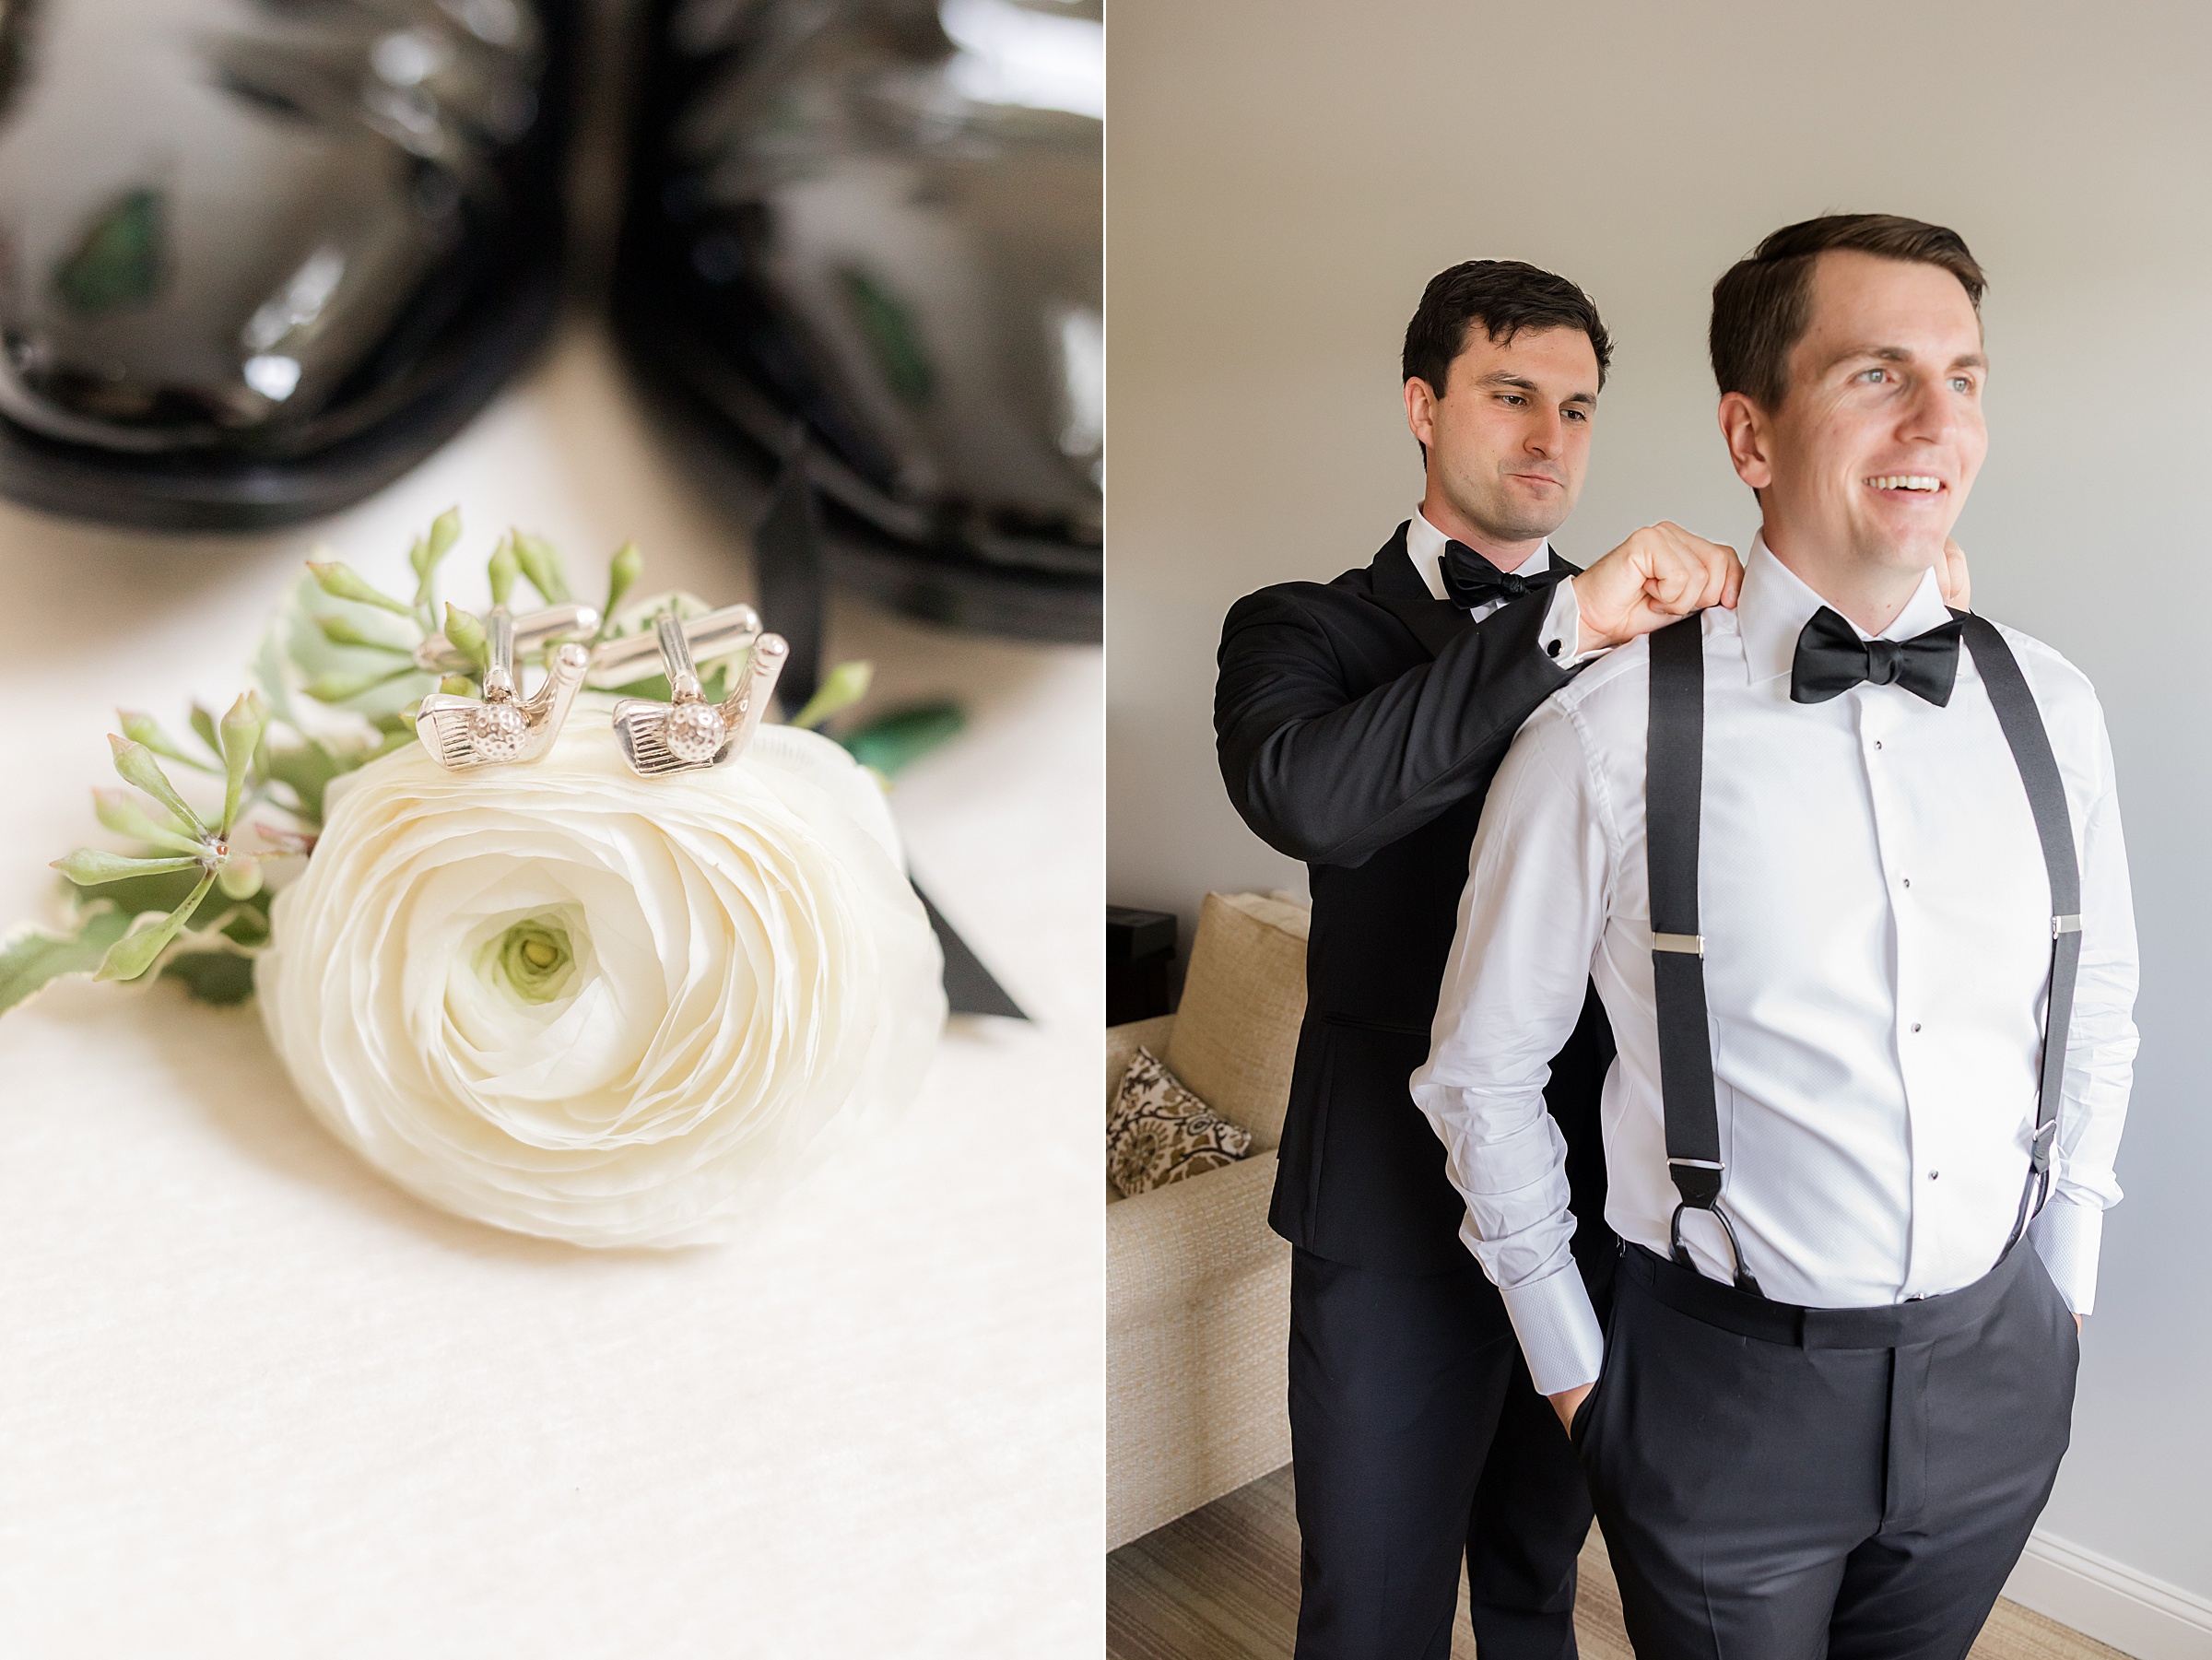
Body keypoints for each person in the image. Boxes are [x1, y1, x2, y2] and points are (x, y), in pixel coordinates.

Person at [1410, 214, 2138, 1659]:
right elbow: (1479, 1073)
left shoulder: (2050, 707)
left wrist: (2061, 1299)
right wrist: (1578, 1376)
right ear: (1752, 435)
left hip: (1997, 1373)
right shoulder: (1602, 735)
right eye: (1879, 374)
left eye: (1966, 376)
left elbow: (2096, 1006)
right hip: (1717, 1397)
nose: (1941, 421)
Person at [1215, 260, 1739, 1660]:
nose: (1551, 436)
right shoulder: (1300, 627)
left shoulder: (1654, 645)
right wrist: (1569, 626)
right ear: (1421, 406)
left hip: (1591, 1201)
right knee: (1373, 1604)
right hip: (1387, 1210)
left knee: (1537, 1576)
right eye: (1512, 394)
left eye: (1577, 407)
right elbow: (1311, 796)